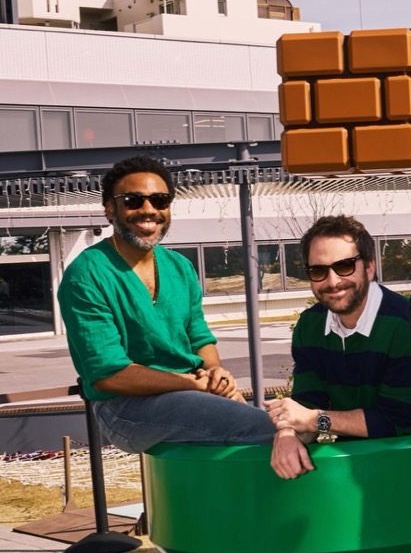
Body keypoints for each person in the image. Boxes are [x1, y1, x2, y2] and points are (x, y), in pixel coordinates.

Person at [57, 154, 274, 452]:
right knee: (267, 429)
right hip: (124, 407)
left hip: (189, 392)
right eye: (133, 200)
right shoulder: (86, 275)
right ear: (110, 209)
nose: (149, 210)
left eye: (160, 200)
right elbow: (108, 374)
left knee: (272, 429)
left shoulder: (180, 266)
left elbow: (199, 337)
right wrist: (194, 383)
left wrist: (215, 373)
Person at [266, 215, 411, 478]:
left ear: (370, 268)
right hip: (355, 463)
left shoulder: (409, 325)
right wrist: (287, 433)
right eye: (318, 271)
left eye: (344, 266)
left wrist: (314, 420)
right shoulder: (309, 326)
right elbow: (307, 404)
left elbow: (392, 421)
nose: (332, 281)